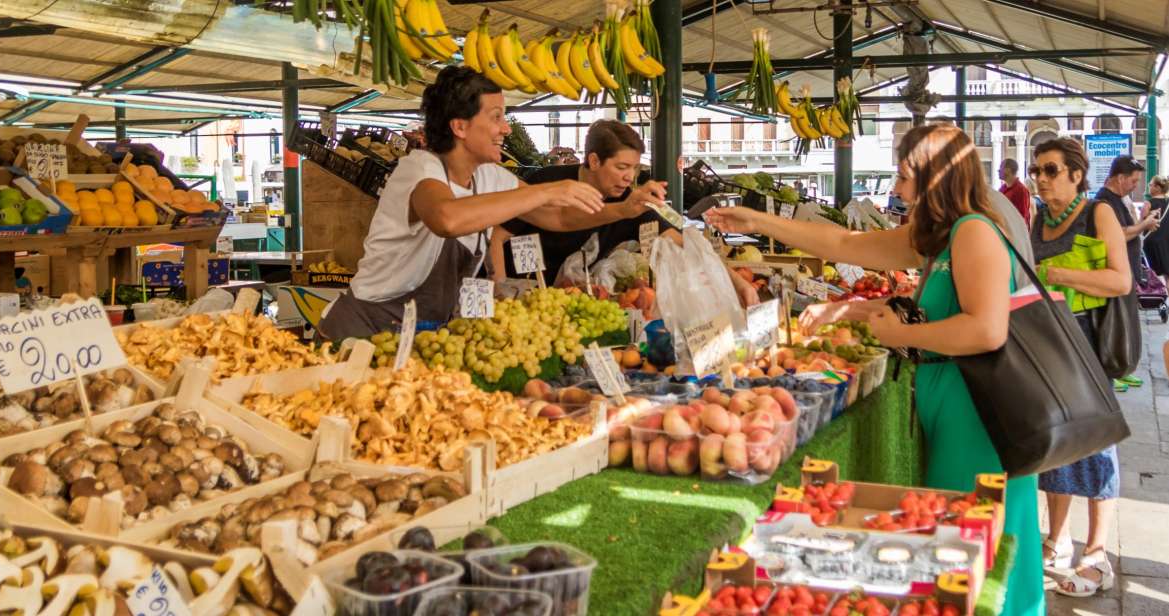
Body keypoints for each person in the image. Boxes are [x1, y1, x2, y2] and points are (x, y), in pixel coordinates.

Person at [703, 124, 1043, 616]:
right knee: (962, 538)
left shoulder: (974, 232)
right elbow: (844, 243)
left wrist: (902, 334)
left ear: (937, 178)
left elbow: (987, 331)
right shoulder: (943, 236)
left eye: (906, 176)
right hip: (954, 400)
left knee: (974, 540)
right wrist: (758, 221)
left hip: (978, 411)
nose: (899, 189)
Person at [319, 66, 626, 339]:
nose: (506, 128)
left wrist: (626, 210)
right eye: (496, 117)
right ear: (460, 127)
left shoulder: (489, 176)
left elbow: (558, 219)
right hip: (362, 332)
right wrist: (545, 190)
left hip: (417, 337)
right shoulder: (419, 168)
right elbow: (446, 219)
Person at [490, 120, 759, 306]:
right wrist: (500, 293)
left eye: (635, 169)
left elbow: (685, 244)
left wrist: (738, 284)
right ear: (594, 161)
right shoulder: (548, 183)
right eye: (621, 167)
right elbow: (497, 235)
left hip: (569, 305)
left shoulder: (632, 204)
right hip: (520, 298)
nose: (628, 177)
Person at [1027, 137, 1130, 597]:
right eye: (1037, 171)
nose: (1041, 179)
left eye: (1051, 170)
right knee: (1057, 442)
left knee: (1095, 442)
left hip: (1088, 340)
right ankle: (1057, 538)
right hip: (1051, 340)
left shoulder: (1098, 213)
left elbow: (1121, 279)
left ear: (1076, 173)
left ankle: (1097, 553)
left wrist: (1059, 274)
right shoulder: (1038, 220)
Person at [1093, 154, 1156, 390]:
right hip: (1114, 275)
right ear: (1120, 178)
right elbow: (1119, 233)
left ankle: (1123, 365)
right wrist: (1144, 224)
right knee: (1115, 323)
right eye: (1133, 181)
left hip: (1126, 272)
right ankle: (1113, 368)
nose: (1135, 186)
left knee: (1127, 322)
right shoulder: (1104, 201)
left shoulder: (1117, 199)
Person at [1143, 176, 1169, 287]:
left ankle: (1156, 296)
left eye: (1151, 185)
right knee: (1167, 273)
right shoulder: (1168, 203)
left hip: (1150, 241)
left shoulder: (1148, 203)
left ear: (1157, 187)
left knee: (1151, 273)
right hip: (1165, 242)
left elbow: (1141, 220)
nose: (1149, 187)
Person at [998, 158, 1032, 228]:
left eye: (1001, 167)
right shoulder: (1002, 189)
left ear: (1008, 170)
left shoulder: (1021, 190)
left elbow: (1022, 217)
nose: (998, 170)